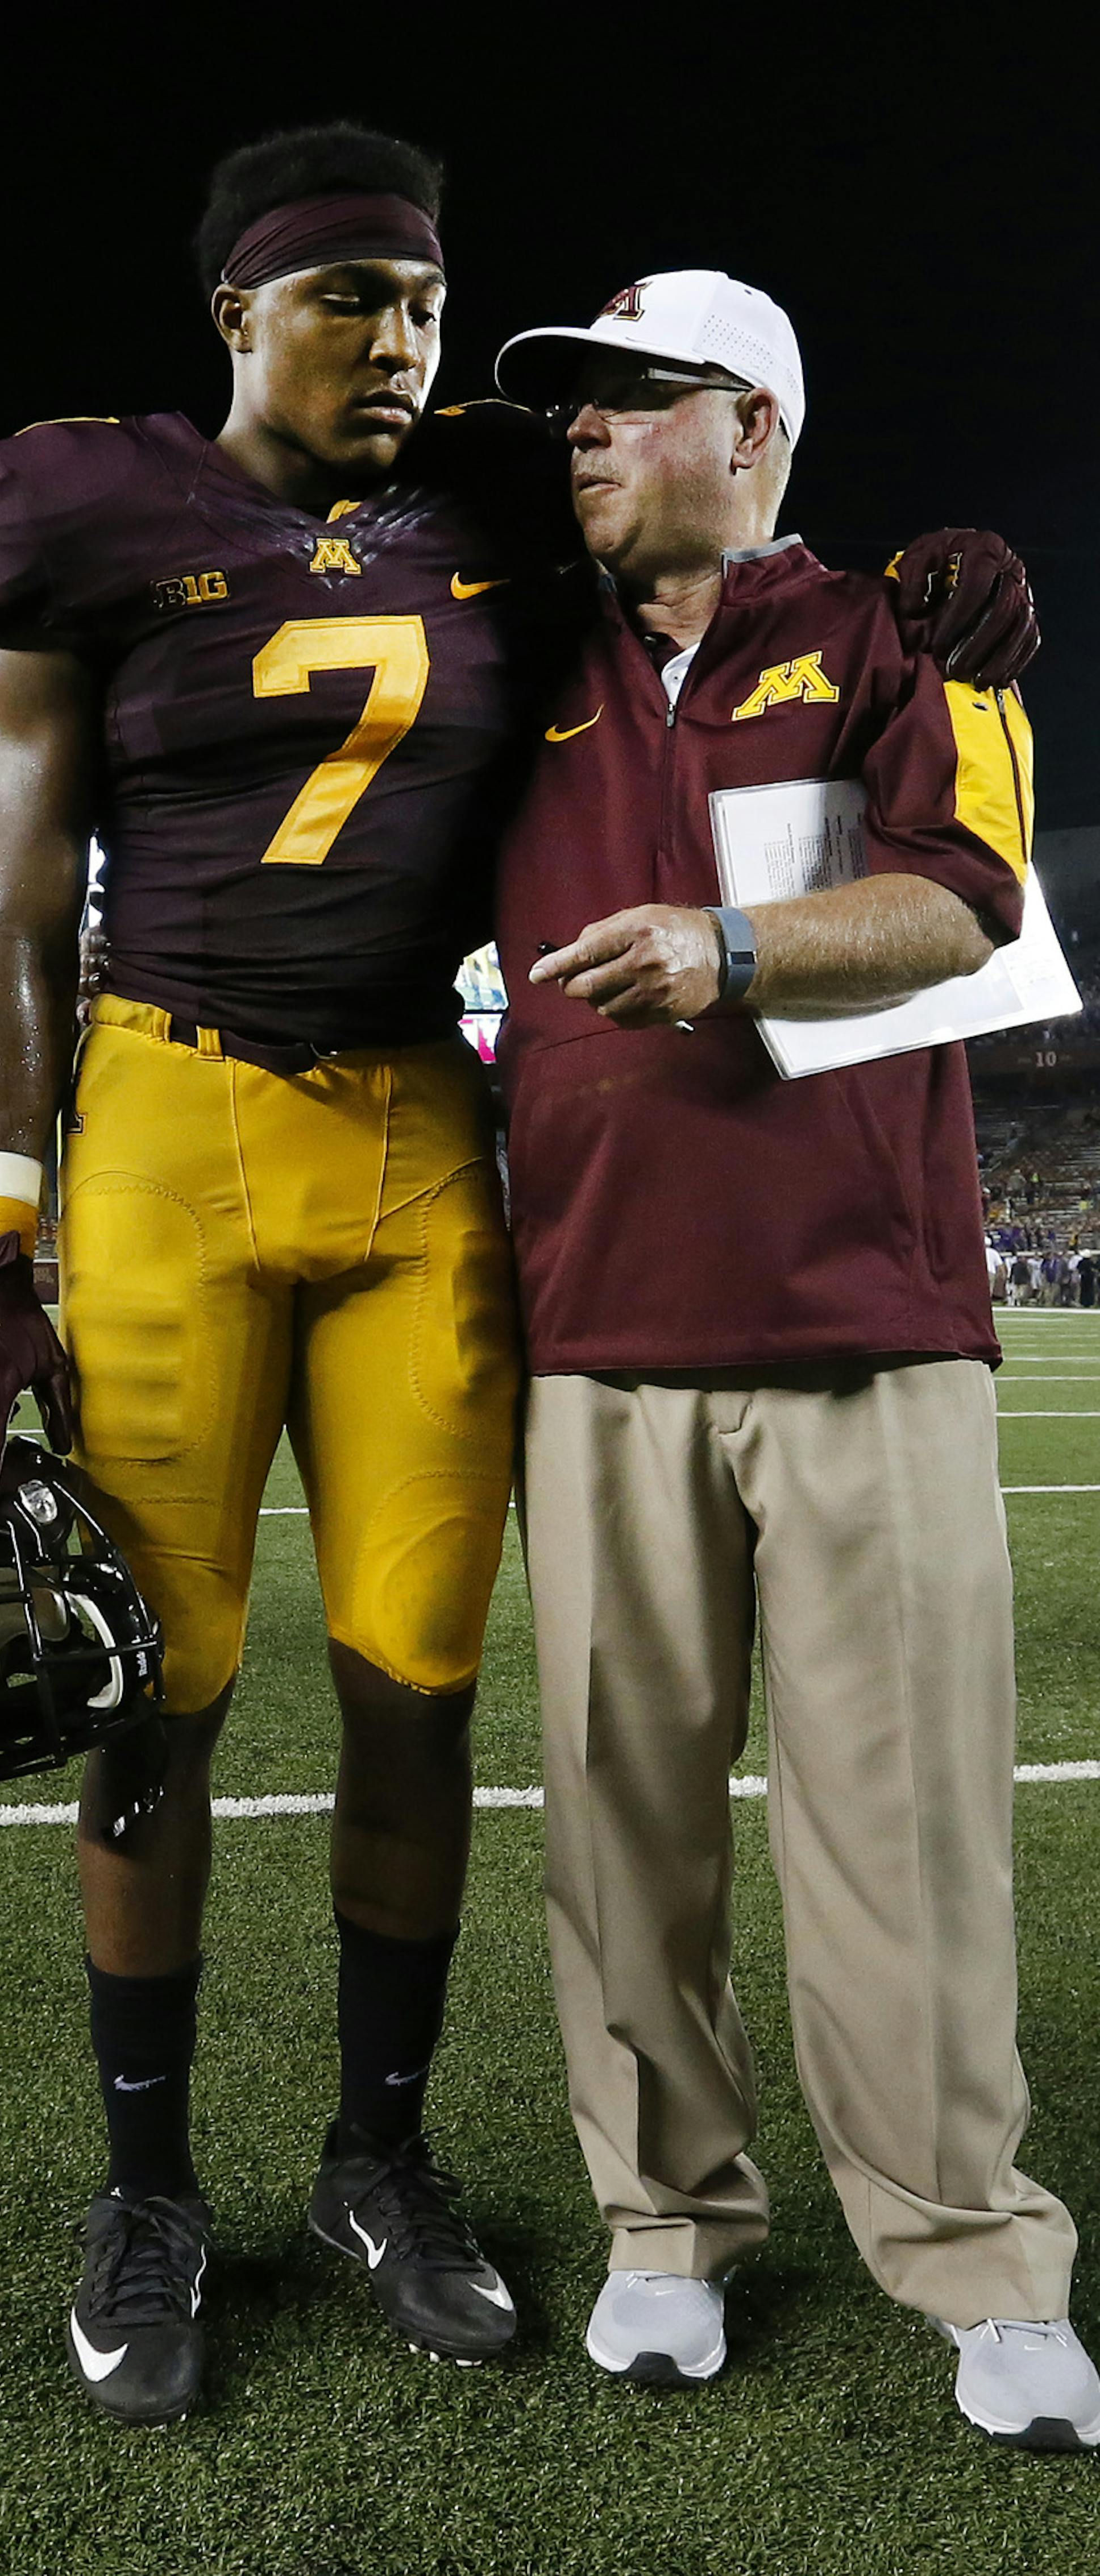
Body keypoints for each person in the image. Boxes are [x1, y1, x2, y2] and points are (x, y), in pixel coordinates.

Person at [0, 123, 1035, 2425]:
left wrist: (944, 563)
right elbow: (16, 904)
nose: (413, 351)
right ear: (235, 310)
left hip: (478, 1172)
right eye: (351, 301)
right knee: (168, 1684)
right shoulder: (139, 511)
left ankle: (390, 2157)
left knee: (425, 1688)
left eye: (427, 307)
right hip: (201, 1123)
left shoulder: (618, 537)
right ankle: (160, 2187)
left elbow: (758, 543)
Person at [491, 268, 1100, 2448]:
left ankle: (971, 2240)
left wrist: (733, 947)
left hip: (866, 1325)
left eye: (622, 404)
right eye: (562, 409)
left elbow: (973, 893)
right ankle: (666, 2221)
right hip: (598, 1335)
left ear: (750, 425)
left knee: (906, 1818)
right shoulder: (522, 652)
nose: (571, 436)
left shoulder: (893, 632)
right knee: (618, 1814)